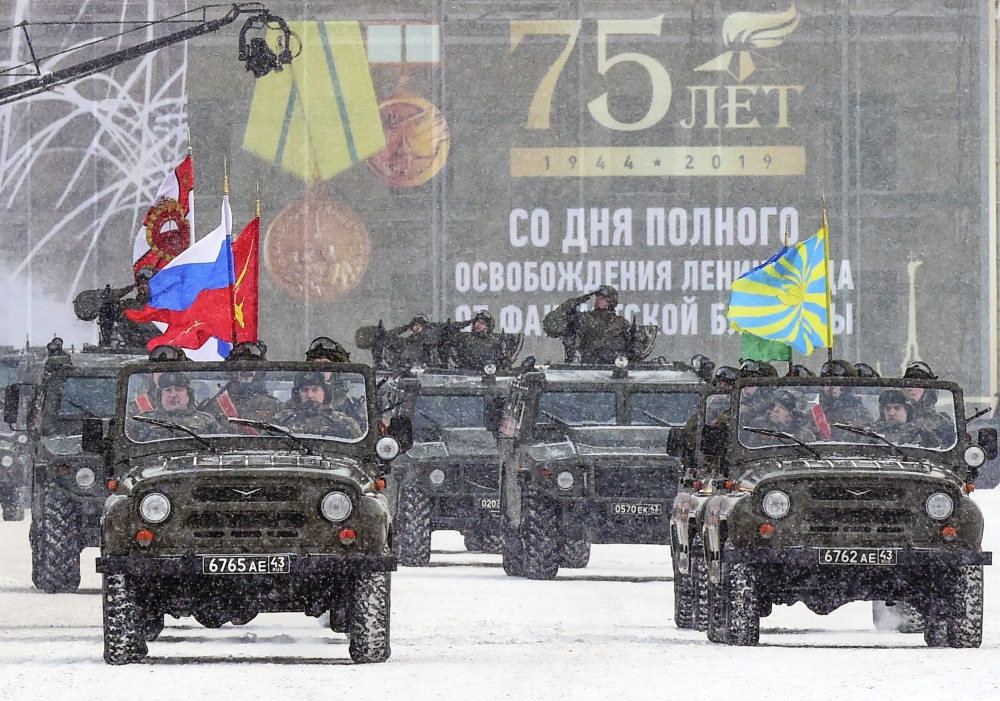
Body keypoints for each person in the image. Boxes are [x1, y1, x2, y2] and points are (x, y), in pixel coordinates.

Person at [543, 285, 641, 364]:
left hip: (613, 369)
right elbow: (552, 325)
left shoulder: (621, 323)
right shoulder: (585, 319)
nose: (597, 301)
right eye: (597, 298)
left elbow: (635, 347)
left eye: (602, 298)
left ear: (610, 302)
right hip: (588, 368)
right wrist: (571, 304)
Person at [130, 372, 226, 441]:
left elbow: (221, 448)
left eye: (179, 390)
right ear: (160, 396)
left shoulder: (206, 421)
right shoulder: (144, 421)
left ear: (189, 395)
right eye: (168, 390)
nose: (173, 395)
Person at [273, 372, 363, 438]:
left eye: (315, 389)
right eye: (305, 390)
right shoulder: (281, 420)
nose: (310, 395)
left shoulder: (344, 422)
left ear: (325, 392)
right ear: (297, 394)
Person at [209, 370, 281, 423]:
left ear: (258, 375)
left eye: (250, 373)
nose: (246, 375)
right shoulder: (218, 403)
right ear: (234, 375)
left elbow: (281, 429)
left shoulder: (271, 404)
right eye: (243, 372)